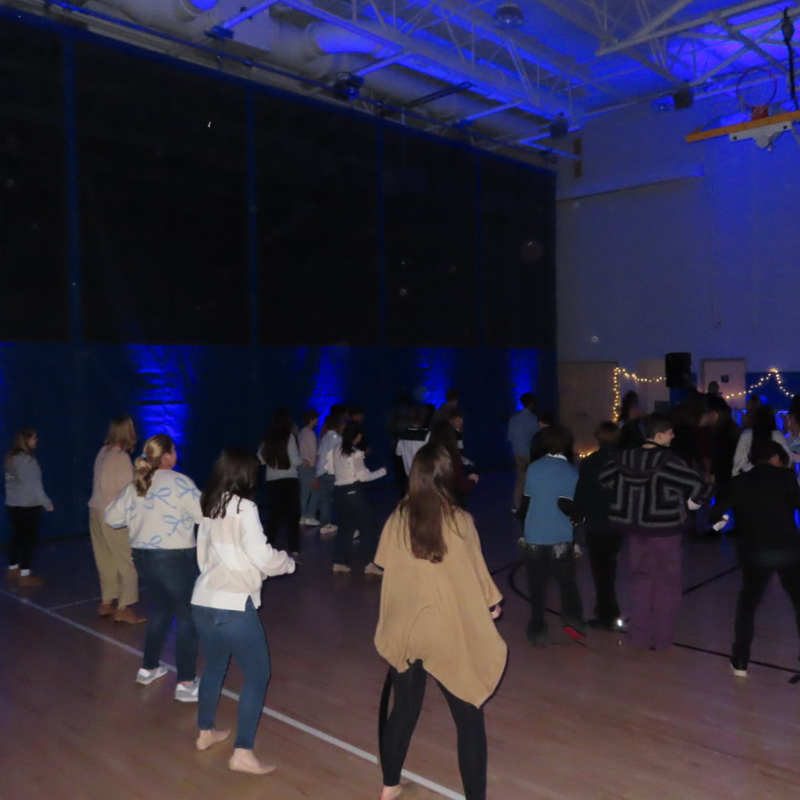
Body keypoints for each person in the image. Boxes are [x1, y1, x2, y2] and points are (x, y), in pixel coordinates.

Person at [374, 443, 506, 800]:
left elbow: (383, 562)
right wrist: (491, 605)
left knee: (404, 709)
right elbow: (477, 575)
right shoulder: (460, 521)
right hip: (446, 632)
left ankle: (389, 787)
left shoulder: (398, 517)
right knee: (468, 718)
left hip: (405, 630)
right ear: (447, 476)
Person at [192, 447, 296, 774]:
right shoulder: (245, 507)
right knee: (258, 675)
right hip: (233, 604)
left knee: (214, 666)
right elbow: (262, 556)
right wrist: (287, 562)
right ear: (245, 474)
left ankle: (205, 732)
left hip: (203, 598)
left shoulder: (209, 503)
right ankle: (243, 753)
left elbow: (203, 555)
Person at [599, 413, 712, 651]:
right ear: (658, 435)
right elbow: (699, 486)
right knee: (667, 584)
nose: (673, 436)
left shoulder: (624, 457)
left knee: (639, 581)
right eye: (669, 432)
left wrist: (628, 494)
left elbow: (605, 479)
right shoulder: (668, 460)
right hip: (665, 530)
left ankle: (638, 637)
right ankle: (662, 638)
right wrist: (691, 504)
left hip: (634, 530)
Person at [105, 433, 203, 700]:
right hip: (174, 559)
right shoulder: (180, 482)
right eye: (174, 450)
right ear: (169, 455)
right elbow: (205, 515)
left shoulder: (137, 484)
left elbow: (112, 518)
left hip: (143, 559)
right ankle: (186, 684)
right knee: (188, 617)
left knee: (161, 609)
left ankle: (148, 668)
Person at [711, 441, 800, 678]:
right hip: (789, 548)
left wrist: (721, 523)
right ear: (775, 458)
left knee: (748, 604)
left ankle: (740, 660)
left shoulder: (740, 482)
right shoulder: (786, 477)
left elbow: (715, 513)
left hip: (755, 551)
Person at [520, 424, 585, 646]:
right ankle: (573, 619)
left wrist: (523, 530)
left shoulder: (534, 468)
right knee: (567, 582)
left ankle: (538, 628)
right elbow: (569, 507)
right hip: (560, 535)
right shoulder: (571, 471)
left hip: (534, 534)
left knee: (536, 584)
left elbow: (525, 504)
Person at [87, 414, 145, 624]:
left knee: (105, 558)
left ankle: (106, 602)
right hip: (113, 514)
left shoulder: (103, 452)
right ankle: (124, 607)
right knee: (126, 559)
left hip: (95, 510)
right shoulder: (121, 458)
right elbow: (128, 491)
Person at [572, 421, 623, 632]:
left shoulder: (590, 462)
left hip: (596, 522)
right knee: (609, 566)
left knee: (601, 570)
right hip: (618, 521)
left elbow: (582, 491)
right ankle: (607, 610)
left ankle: (606, 614)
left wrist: (576, 514)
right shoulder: (624, 461)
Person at [332, 421, 386, 574]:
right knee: (368, 526)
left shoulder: (336, 449)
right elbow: (363, 477)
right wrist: (382, 472)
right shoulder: (355, 453)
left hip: (339, 491)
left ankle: (339, 562)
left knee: (346, 527)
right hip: (354, 491)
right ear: (358, 436)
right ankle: (370, 563)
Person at [4, 427, 54, 587]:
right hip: (28, 506)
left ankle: (13, 568)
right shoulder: (28, 461)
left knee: (17, 537)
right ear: (26, 440)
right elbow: (35, 486)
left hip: (13, 505)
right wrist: (47, 503)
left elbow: (11, 481)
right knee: (28, 541)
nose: (36, 440)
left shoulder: (11, 459)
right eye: (33, 438)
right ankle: (25, 575)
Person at [260, 408, 302, 554]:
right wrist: (303, 460)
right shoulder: (290, 437)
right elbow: (295, 460)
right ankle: (294, 548)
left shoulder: (267, 438)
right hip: (289, 480)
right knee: (292, 516)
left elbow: (260, 459)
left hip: (272, 481)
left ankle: (267, 546)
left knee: (274, 515)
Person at [429, 420, 478, 509]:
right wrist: (472, 481)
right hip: (450, 501)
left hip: (431, 498)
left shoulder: (426, 455)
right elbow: (461, 485)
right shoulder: (452, 457)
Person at [732, 404, 792, 476]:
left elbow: (738, 458)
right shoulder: (777, 435)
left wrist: (735, 474)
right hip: (772, 475)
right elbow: (787, 458)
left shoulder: (747, 434)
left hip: (750, 474)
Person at [507, 393, 540, 513]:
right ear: (531, 404)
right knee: (534, 479)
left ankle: (517, 504)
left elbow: (510, 437)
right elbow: (537, 437)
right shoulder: (534, 419)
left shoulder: (513, 419)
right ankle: (535, 505)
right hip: (531, 453)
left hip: (518, 453)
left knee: (520, 479)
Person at [315, 411, 344, 535]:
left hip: (321, 471)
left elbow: (319, 456)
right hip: (331, 472)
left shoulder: (324, 438)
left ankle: (325, 523)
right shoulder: (338, 439)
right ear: (338, 425)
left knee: (325, 499)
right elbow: (338, 456)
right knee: (339, 498)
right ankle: (345, 523)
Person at [298, 410, 320, 526]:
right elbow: (313, 453)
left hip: (302, 467)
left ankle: (302, 516)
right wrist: (316, 469)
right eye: (316, 418)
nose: (317, 420)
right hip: (309, 467)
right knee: (315, 491)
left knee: (304, 493)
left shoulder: (302, 432)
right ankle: (309, 516)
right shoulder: (310, 434)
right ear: (311, 420)